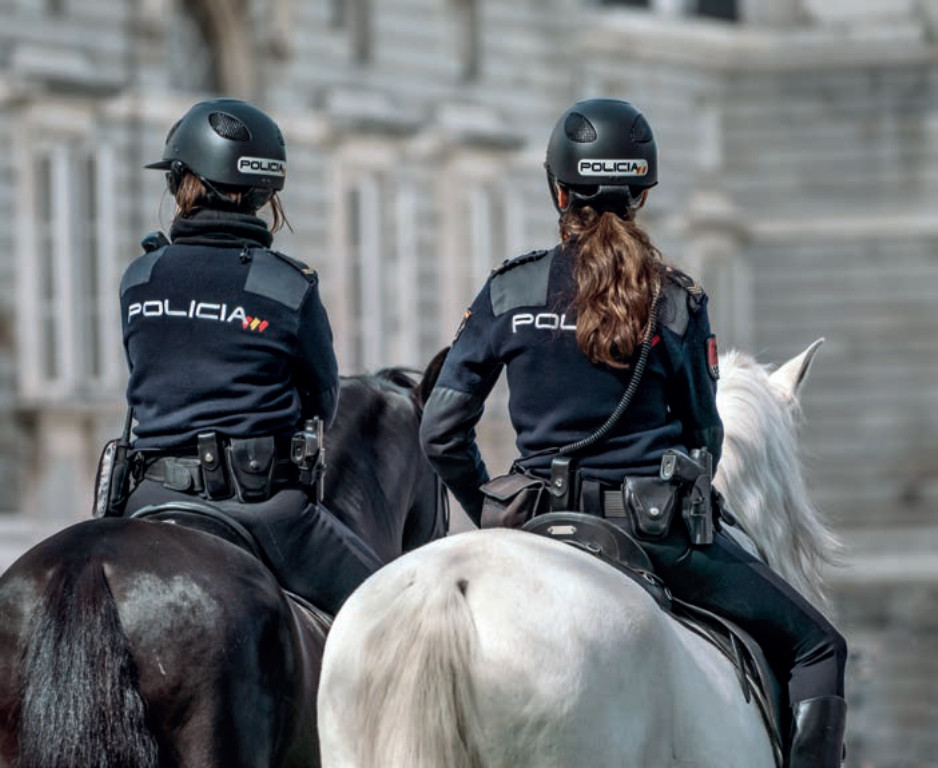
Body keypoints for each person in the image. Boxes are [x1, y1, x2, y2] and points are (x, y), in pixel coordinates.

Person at [419, 98, 847, 767]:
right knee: (821, 649)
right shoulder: (677, 300)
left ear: (558, 189)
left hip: (537, 517)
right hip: (653, 535)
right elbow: (705, 441)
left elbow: (441, 430)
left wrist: (493, 509)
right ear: (643, 192)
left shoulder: (508, 291)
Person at [117, 97, 381, 615]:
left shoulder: (139, 278)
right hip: (262, 508)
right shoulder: (287, 284)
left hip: (147, 500)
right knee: (396, 611)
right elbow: (321, 405)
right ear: (264, 193)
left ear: (179, 182)